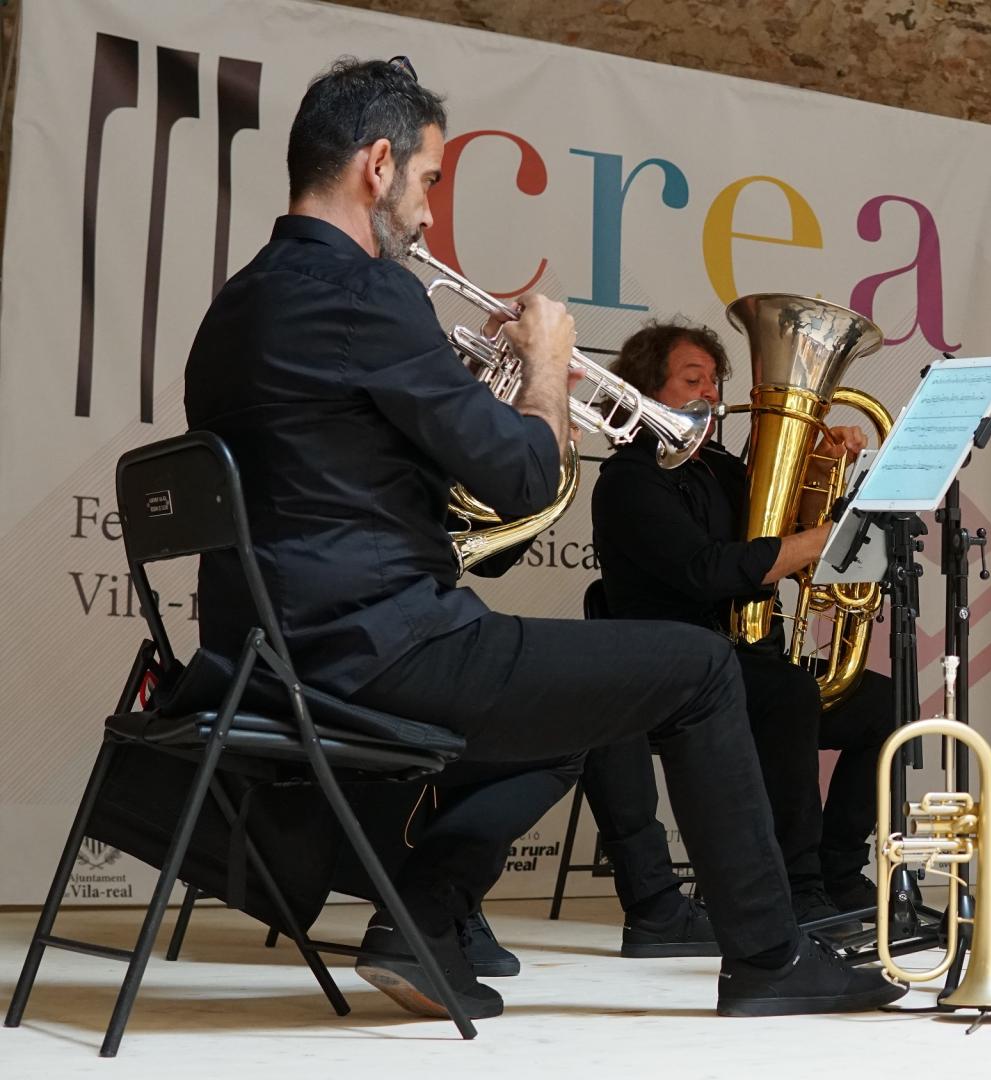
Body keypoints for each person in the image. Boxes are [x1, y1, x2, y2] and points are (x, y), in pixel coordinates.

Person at [181, 56, 901, 1020]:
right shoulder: (372, 296)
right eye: (429, 181)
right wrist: (547, 367)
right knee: (699, 670)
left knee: (580, 707)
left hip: (260, 654)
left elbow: (357, 481)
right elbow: (523, 475)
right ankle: (772, 958)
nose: (427, 214)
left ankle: (423, 917)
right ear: (377, 165)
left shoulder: (235, 307)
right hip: (378, 649)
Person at [579, 319, 897, 956]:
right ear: (646, 391)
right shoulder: (630, 480)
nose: (710, 392)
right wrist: (819, 539)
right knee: (787, 693)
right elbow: (708, 572)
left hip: (742, 657)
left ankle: (837, 870)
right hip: (674, 669)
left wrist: (827, 464)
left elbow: (779, 532)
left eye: (714, 381)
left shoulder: (722, 468)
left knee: (885, 704)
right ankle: (796, 887)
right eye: (691, 379)